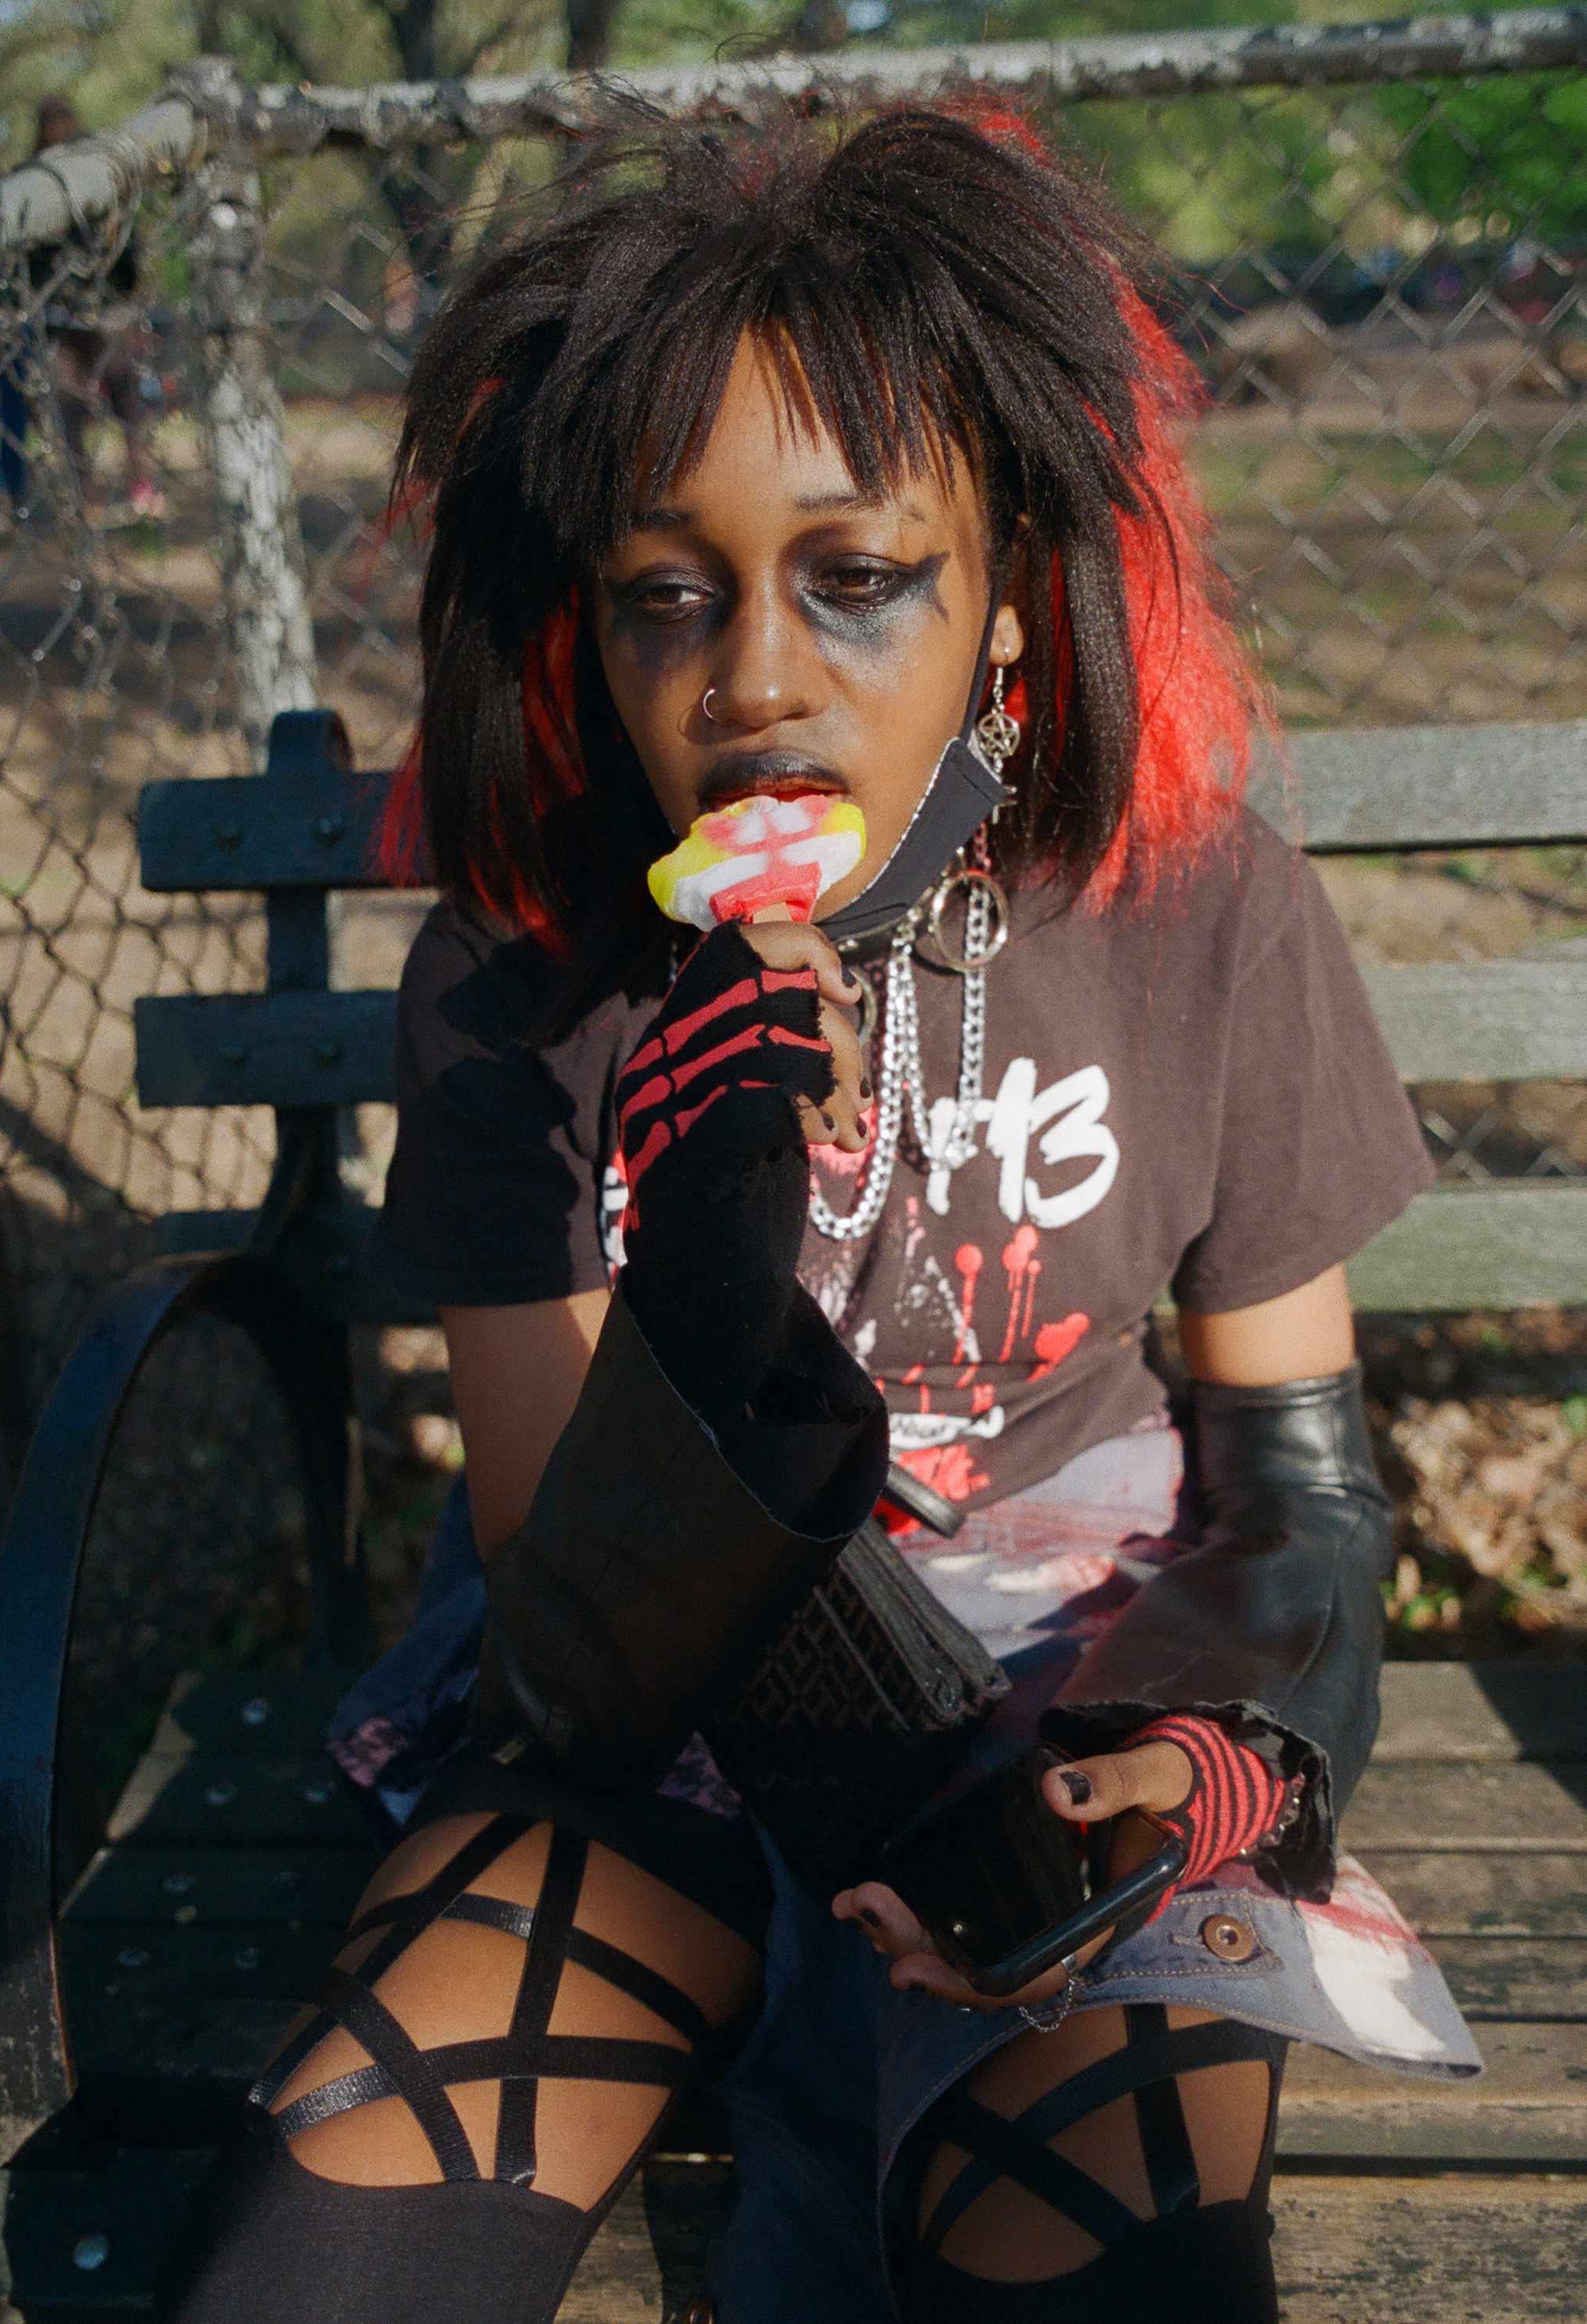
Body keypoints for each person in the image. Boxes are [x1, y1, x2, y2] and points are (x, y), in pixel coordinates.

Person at [158, 104, 1479, 2324]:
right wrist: (702, 1249)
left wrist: (1186, 1751)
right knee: (324, 2245)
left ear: (1011, 603)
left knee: (1108, 2259)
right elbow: (563, 1615)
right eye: (672, 588)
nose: (752, 674)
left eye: (854, 574)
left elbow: (1300, 1487)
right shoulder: (519, 982)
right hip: (647, 1693)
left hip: (1074, 1679)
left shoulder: (1201, 912)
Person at [29, 96, 168, 520]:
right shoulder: (33, 182)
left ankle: (141, 485)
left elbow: (126, 245)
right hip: (59, 316)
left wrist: (126, 298)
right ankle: (83, 492)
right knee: (70, 407)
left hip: (106, 310)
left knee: (129, 400)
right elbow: (32, 257)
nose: (59, 130)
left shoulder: (96, 173)